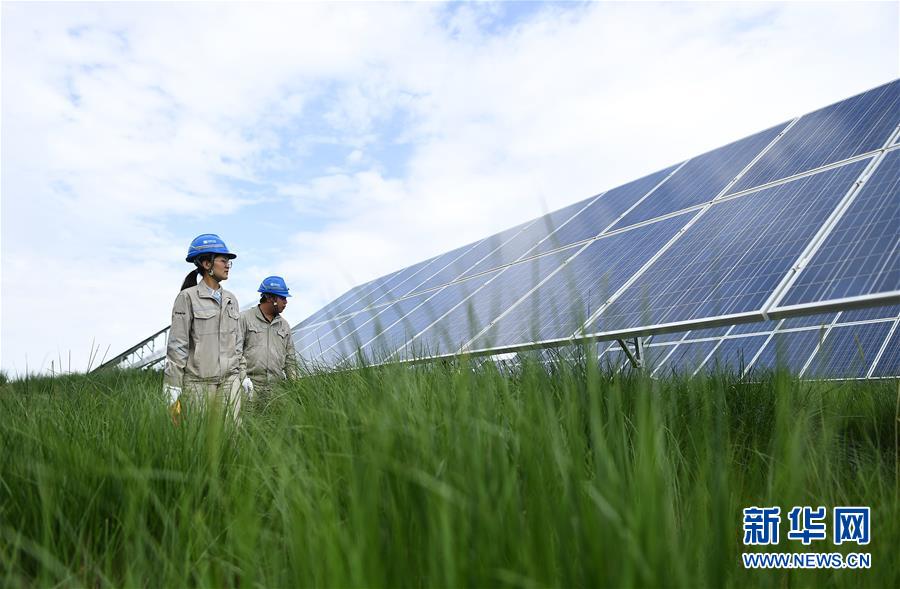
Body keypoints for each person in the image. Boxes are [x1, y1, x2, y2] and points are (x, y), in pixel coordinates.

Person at [163, 233, 251, 422]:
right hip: (198, 384)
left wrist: (243, 376)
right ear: (206, 264)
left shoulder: (231, 299)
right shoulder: (187, 298)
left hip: (230, 381)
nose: (228, 265)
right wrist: (172, 385)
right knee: (200, 438)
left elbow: (237, 345)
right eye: (223, 260)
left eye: (229, 261)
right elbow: (178, 345)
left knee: (231, 437)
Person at [240, 276, 300, 400]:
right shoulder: (244, 319)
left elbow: (290, 359)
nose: (286, 302)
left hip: (276, 391)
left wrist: (295, 386)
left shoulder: (284, 325)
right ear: (270, 297)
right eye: (282, 297)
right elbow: (234, 352)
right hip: (249, 388)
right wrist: (242, 379)